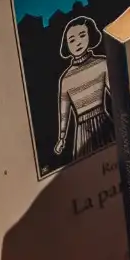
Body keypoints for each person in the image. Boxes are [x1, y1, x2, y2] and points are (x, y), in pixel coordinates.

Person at [54, 16, 113, 163]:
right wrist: (62, 138)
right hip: (82, 132)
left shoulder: (102, 64)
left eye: (82, 35)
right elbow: (64, 112)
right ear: (66, 45)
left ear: (90, 36)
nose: (78, 43)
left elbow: (117, 94)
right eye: (72, 40)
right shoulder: (65, 79)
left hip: (104, 123)